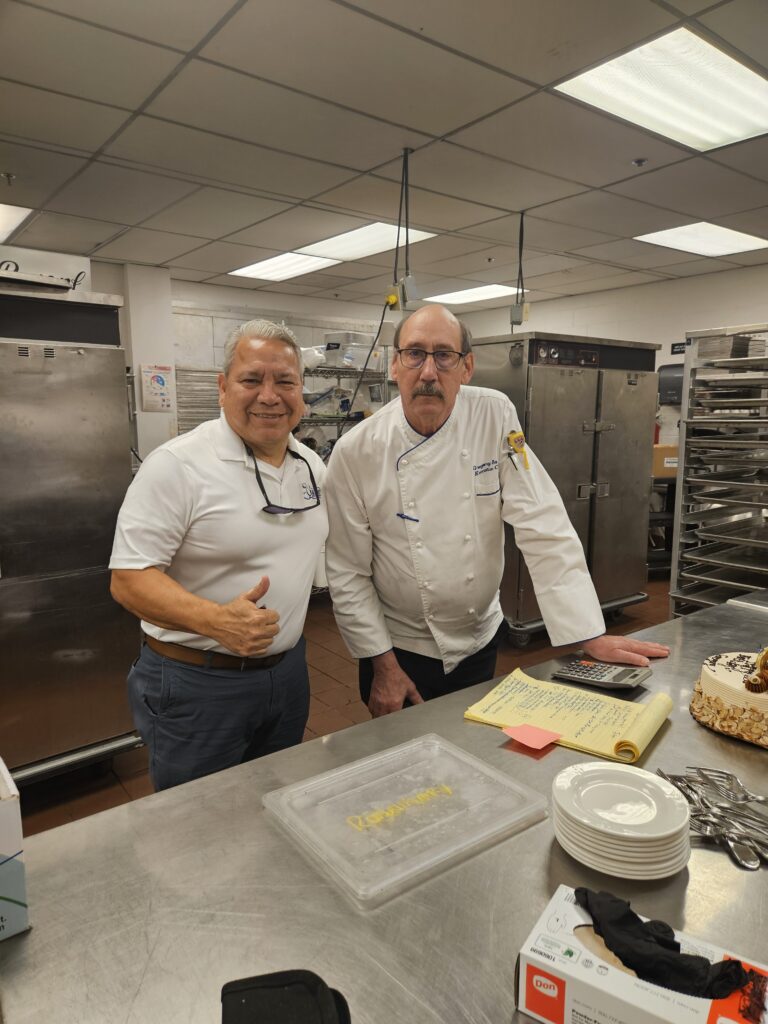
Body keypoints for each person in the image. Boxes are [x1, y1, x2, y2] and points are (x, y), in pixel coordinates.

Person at [324, 304, 668, 717]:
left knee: (469, 750)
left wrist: (589, 634)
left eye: (444, 355)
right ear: (395, 365)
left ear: (466, 367)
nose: (429, 372)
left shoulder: (494, 414)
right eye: (415, 353)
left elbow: (542, 523)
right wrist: (383, 666)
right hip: (400, 648)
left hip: (479, 638)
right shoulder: (355, 451)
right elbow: (348, 572)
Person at [110, 320, 327, 788]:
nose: (269, 395)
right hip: (197, 684)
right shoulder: (177, 465)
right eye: (252, 380)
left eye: (285, 381)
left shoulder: (311, 466)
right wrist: (215, 621)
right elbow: (128, 578)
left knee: (275, 802)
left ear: (301, 391)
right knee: (198, 831)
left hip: (287, 676)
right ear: (223, 387)